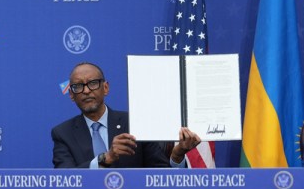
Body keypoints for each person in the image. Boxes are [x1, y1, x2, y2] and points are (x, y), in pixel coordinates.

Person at [51, 62, 200, 168]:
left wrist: (177, 156)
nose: (86, 90)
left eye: (93, 83)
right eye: (78, 86)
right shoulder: (63, 133)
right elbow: (65, 179)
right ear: (71, 95)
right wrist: (105, 158)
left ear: (106, 88)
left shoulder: (135, 123)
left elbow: (160, 176)